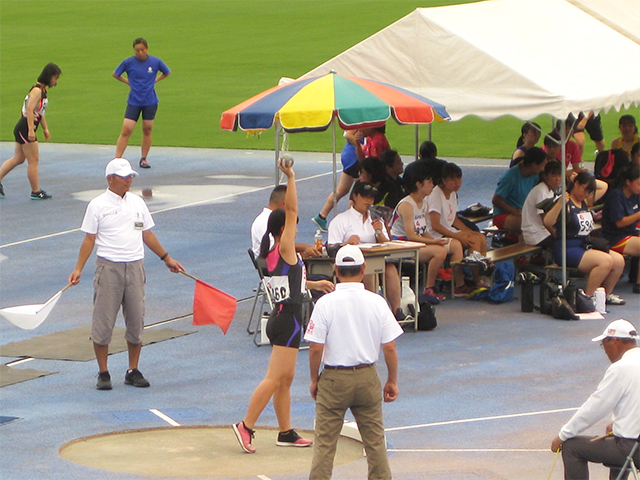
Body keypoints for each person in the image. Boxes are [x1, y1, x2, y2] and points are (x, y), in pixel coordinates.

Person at [233, 158, 334, 454]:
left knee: (286, 380)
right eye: (291, 226)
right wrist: (291, 177)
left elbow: (290, 284)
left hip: (284, 315)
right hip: (287, 319)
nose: (294, 226)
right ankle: (246, 425)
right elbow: (291, 210)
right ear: (283, 229)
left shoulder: (274, 252)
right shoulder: (285, 246)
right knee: (275, 378)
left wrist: (315, 286)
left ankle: (285, 431)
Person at [68, 158, 184, 390]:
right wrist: (78, 268)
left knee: (136, 319)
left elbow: (146, 234)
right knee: (103, 322)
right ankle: (103, 372)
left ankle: (133, 369)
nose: (129, 180)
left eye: (131, 176)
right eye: (124, 177)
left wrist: (166, 258)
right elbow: (89, 238)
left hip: (135, 267)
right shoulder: (97, 205)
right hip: (108, 267)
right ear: (110, 179)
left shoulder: (137, 203)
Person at [304, 244, 402, 480]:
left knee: (325, 445)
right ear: (363, 269)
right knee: (375, 443)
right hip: (367, 376)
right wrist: (392, 380)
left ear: (335, 270)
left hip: (335, 377)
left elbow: (316, 349)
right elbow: (389, 346)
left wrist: (315, 379)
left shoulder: (325, 303)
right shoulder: (377, 301)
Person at [550, 319, 640, 480]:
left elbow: (595, 407)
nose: (605, 351)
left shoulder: (621, 368)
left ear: (615, 341)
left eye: (603, 345)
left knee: (571, 447)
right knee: (617, 436)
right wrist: (621, 424)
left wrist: (562, 435)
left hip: (633, 448)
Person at [544, 172, 626, 304]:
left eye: (589, 191)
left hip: (584, 245)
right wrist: (559, 204)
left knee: (619, 261)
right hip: (568, 248)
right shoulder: (566, 202)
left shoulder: (584, 201)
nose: (586, 194)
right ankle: (587, 297)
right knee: (605, 261)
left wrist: (578, 177)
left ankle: (605, 295)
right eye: (584, 190)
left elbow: (603, 186)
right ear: (576, 185)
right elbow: (547, 222)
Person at [327, 180, 403, 320]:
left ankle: (396, 311)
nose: (369, 201)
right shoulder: (341, 220)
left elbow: (387, 244)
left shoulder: (375, 219)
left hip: (375, 259)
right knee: (370, 269)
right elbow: (331, 248)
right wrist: (347, 243)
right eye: (365, 197)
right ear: (355, 197)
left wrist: (379, 231)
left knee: (391, 268)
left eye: (372, 198)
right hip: (352, 263)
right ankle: (371, 312)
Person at [0, 63, 61, 200]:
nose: (56, 82)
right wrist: (31, 131)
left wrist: (45, 128)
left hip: (26, 127)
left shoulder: (42, 91)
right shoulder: (37, 90)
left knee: (19, 158)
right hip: (25, 127)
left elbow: (40, 112)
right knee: (33, 160)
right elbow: (29, 110)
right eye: (55, 78)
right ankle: (35, 191)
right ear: (49, 76)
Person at [390, 161, 449, 301]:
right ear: (418, 184)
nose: (432, 185)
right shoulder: (406, 205)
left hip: (413, 243)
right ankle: (429, 288)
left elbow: (423, 230)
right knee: (440, 251)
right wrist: (433, 242)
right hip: (400, 244)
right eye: (429, 182)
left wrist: (435, 242)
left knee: (440, 248)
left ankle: (434, 282)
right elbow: (411, 235)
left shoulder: (424, 204)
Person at [428, 162, 489, 292]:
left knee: (481, 238)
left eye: (459, 178)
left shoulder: (453, 194)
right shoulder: (435, 194)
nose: (457, 182)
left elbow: (454, 219)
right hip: (435, 234)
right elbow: (435, 225)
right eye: (452, 179)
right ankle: (470, 282)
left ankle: (479, 277)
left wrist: (470, 232)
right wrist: (458, 236)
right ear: (443, 180)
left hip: (448, 230)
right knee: (474, 240)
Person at [113, 38, 170, 169]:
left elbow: (167, 72)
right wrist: (128, 82)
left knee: (147, 129)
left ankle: (143, 159)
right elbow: (115, 74)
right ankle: (117, 159)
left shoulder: (155, 62)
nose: (140, 52)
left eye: (142, 50)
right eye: (137, 50)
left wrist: (155, 80)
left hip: (150, 101)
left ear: (147, 49)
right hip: (134, 101)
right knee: (127, 129)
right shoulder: (128, 62)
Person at [312, 130, 364, 232]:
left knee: (342, 190)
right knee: (359, 189)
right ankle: (351, 223)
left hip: (349, 156)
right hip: (354, 157)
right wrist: (361, 147)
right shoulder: (358, 119)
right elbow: (347, 134)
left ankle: (321, 216)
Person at [251, 185, 319, 259]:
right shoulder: (263, 222)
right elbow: (277, 248)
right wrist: (304, 247)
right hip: (275, 267)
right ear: (284, 204)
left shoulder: (273, 219)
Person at [602, 166, 640, 294]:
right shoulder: (616, 196)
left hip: (631, 233)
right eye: (639, 183)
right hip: (615, 237)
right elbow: (619, 223)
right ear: (628, 182)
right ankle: (639, 284)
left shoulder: (635, 195)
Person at [492, 146, 547, 233]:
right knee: (530, 224)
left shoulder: (534, 175)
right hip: (503, 215)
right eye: (542, 166)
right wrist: (515, 211)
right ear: (533, 165)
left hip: (523, 213)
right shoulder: (510, 177)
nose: (543, 169)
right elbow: (496, 200)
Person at [521, 160, 562, 249]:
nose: (557, 179)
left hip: (542, 232)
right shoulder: (541, 191)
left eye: (559, 175)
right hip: (536, 234)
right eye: (553, 175)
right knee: (562, 245)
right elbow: (546, 221)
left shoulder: (549, 191)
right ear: (545, 176)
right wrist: (557, 235)